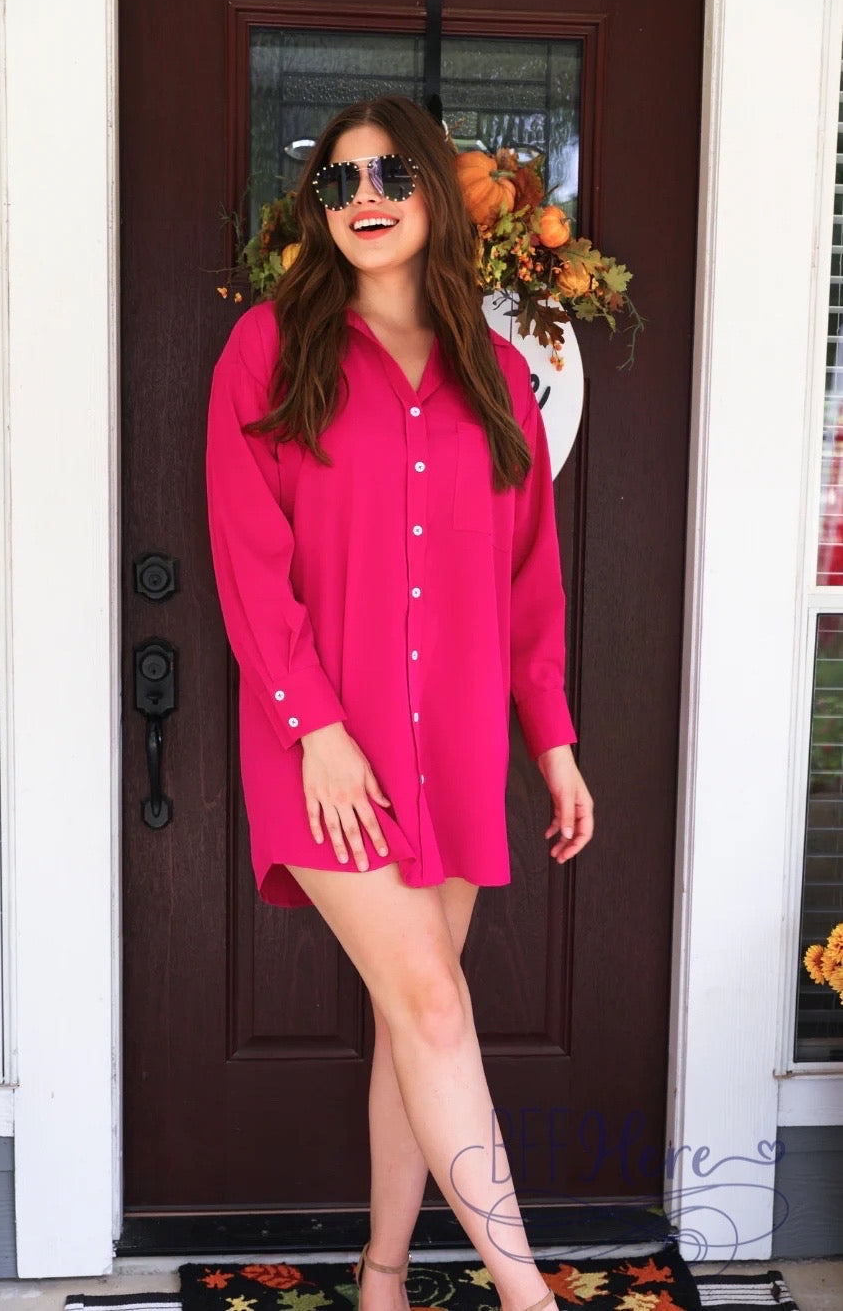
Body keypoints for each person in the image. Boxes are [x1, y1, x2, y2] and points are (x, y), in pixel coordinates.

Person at [205, 94, 594, 1311]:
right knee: (432, 1001)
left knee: (413, 1015)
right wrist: (314, 728)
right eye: (340, 182)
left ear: (434, 191)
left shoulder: (499, 376)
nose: (364, 199)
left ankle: (382, 1278)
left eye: (389, 176)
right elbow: (248, 556)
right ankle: (526, 1294)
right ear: (318, 209)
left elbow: (529, 577)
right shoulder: (269, 349)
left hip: (460, 741)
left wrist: (554, 742)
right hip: (324, 746)